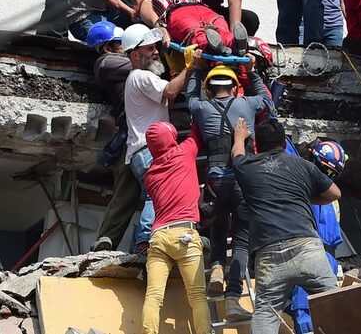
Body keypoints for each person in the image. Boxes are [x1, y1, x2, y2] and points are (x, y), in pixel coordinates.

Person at [231, 118, 340, 333]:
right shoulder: (302, 165)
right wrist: (304, 197)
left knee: (265, 311)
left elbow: (236, 153)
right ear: (283, 142)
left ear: (257, 145)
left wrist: (239, 136)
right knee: (333, 302)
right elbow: (335, 193)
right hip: (306, 247)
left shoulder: (246, 168)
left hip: (268, 254)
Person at [186, 58, 270, 322]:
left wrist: (197, 68)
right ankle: (233, 298)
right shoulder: (246, 104)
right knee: (243, 241)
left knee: (219, 228)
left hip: (215, 181)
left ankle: (218, 268)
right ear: (234, 88)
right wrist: (252, 70)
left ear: (210, 89)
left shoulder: (201, 107)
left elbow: (189, 97)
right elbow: (266, 100)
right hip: (244, 181)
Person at [121, 24, 189, 252]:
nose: (155, 51)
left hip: (141, 152)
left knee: (154, 196)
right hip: (148, 150)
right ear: (135, 54)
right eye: (149, 48)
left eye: (154, 47)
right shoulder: (141, 76)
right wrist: (190, 67)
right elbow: (170, 91)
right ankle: (142, 243)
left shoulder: (138, 78)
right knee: (155, 196)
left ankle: (140, 245)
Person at [140, 121, 212, 334]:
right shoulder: (185, 152)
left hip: (159, 237)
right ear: (171, 137)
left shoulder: (150, 175)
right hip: (185, 235)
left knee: (153, 296)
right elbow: (197, 131)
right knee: (197, 296)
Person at [85, 22, 140, 252]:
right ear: (108, 47)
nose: (126, 47)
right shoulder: (107, 63)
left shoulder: (119, 62)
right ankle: (106, 240)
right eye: (121, 44)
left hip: (136, 132)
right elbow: (142, 67)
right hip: (129, 135)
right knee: (126, 192)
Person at [285, 138, 348, 333]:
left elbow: (285, 155)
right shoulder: (329, 197)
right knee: (327, 316)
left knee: (307, 318)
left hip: (310, 256)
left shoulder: (306, 183)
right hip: (328, 259)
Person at [140, 0, 248, 59]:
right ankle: (225, 43)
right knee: (198, 31)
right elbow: (145, 9)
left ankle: (231, 42)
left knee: (212, 29)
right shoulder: (151, 1)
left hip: (199, 10)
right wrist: (162, 29)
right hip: (181, 11)